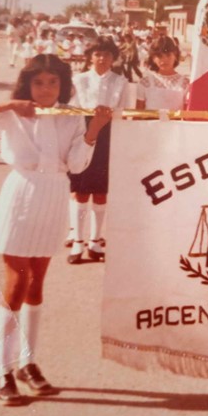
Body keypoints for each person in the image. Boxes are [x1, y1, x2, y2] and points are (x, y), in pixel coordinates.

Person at [0, 54, 112, 406]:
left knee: (37, 282)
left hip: (55, 195)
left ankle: (27, 363)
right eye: (39, 83)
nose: (45, 89)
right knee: (16, 281)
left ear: (63, 85)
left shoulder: (70, 117)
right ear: (28, 84)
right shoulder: (13, 111)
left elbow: (75, 164)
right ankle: (2, 369)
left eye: (53, 83)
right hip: (21, 194)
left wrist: (93, 130)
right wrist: (5, 104)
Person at [66, 36, 128, 264]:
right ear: (90, 57)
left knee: (101, 191)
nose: (102, 59)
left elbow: (124, 112)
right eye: (98, 54)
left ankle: (95, 240)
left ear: (113, 58)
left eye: (107, 55)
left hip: (108, 137)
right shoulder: (78, 79)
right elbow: (70, 110)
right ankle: (77, 242)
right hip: (82, 134)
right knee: (81, 190)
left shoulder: (120, 82)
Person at [135, 35, 190, 111]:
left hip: (176, 123)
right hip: (149, 123)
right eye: (159, 56)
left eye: (168, 55)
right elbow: (137, 116)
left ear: (175, 56)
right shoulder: (145, 83)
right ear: (153, 58)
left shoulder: (185, 83)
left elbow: (187, 115)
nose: (164, 60)